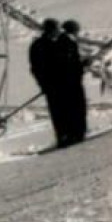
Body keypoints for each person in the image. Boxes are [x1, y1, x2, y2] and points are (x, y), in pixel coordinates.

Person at [29, 18, 76, 147]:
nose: (58, 32)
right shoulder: (39, 46)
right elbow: (36, 68)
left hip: (64, 83)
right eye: (56, 29)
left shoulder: (54, 44)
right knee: (58, 111)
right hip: (52, 85)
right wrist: (44, 84)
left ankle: (70, 135)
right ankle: (63, 137)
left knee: (67, 109)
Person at [55, 19, 89, 146]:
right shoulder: (68, 42)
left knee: (71, 109)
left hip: (67, 81)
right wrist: (82, 66)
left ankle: (73, 134)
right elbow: (69, 64)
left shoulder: (62, 41)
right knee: (77, 108)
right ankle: (77, 135)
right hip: (71, 82)